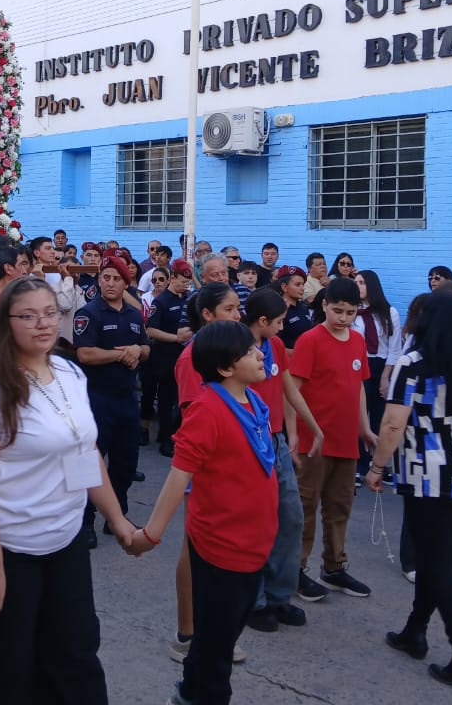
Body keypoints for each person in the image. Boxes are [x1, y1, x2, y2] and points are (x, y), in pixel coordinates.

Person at [0, 277, 134, 703]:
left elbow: (84, 452)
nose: (42, 323)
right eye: (29, 315)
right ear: (6, 321)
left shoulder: (69, 372)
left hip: (65, 542)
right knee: (4, 668)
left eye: (50, 313)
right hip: (9, 549)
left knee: (74, 656)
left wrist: (117, 520)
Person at [131, 321, 278, 705]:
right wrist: (150, 535)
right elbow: (179, 477)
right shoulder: (207, 410)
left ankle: (187, 693)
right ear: (226, 368)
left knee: (220, 638)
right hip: (222, 548)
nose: (261, 353)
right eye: (249, 351)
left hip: (253, 546)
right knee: (217, 661)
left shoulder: (252, 401)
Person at [366, 292, 452, 688]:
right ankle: (414, 630)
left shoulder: (413, 364)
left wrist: (378, 466)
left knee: (435, 564)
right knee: (441, 555)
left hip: (427, 475)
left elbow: (392, 424)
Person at [167, 283, 245, 666]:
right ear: (209, 315)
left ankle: (213, 631)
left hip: (232, 463)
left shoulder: (234, 353)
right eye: (230, 309)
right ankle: (187, 633)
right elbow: (192, 414)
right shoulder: (192, 357)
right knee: (194, 546)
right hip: (204, 463)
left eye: (238, 307)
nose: (237, 315)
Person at [288, 277, 377, 602]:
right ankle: (295, 570)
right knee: (306, 506)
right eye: (337, 310)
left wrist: (365, 428)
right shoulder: (310, 340)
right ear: (324, 305)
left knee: (340, 506)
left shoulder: (356, 341)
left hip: (346, 440)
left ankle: (334, 566)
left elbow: (359, 390)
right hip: (315, 441)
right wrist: (295, 434)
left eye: (350, 312)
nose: (343, 317)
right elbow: (291, 391)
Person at [243, 288, 324, 634]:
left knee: (290, 515)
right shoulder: (237, 349)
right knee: (255, 522)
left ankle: (280, 595)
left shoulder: (275, 346)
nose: (282, 328)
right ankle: (254, 599)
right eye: (278, 322)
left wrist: (306, 428)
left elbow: (288, 389)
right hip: (248, 440)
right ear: (262, 321)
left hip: (275, 439)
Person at [73, 255, 149, 547]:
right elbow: (85, 354)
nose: (110, 283)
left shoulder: (132, 315)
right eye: (106, 277)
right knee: (93, 462)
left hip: (127, 398)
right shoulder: (89, 313)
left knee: (125, 461)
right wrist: (122, 354)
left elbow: (145, 348)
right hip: (97, 399)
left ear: (125, 282)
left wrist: (135, 350)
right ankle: (86, 521)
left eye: (117, 278)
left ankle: (116, 515)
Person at [353, 269, 402, 480]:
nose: (358, 286)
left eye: (362, 282)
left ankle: (377, 463)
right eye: (355, 282)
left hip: (382, 365)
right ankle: (360, 463)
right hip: (358, 365)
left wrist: (386, 376)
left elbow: (394, 346)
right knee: (359, 414)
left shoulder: (389, 313)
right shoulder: (352, 311)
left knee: (379, 417)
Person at [145, 259, 194, 456]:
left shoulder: (189, 299)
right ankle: (166, 439)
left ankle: (174, 434)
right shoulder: (162, 301)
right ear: (172, 278)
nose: (185, 285)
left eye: (188, 282)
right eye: (182, 281)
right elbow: (151, 330)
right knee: (167, 400)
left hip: (184, 355)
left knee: (180, 399)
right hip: (165, 355)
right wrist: (176, 338)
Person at [275, 265, 312, 351]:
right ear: (284, 287)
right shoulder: (276, 309)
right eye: (297, 285)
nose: (302, 288)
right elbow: (273, 342)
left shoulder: (304, 308)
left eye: (303, 284)